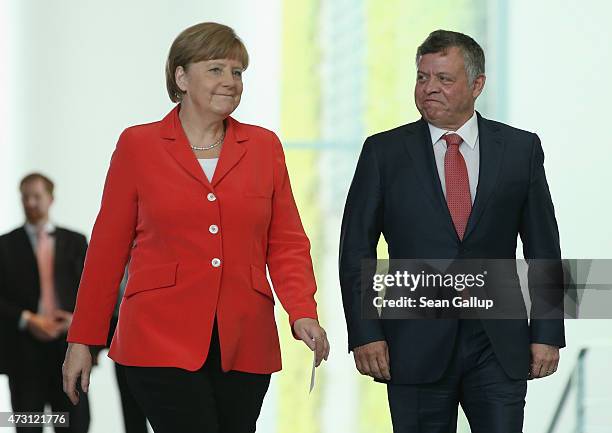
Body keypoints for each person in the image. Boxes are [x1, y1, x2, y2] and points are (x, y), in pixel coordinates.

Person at [62, 22, 329, 433]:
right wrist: (83, 339)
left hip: (245, 339)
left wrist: (302, 311)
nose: (230, 82)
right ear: (181, 77)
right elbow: (106, 251)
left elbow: (286, 241)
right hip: (157, 338)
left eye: (238, 72)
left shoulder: (264, 147)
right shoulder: (138, 146)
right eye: (216, 69)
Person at [339, 30, 564, 433]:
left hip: (499, 344)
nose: (429, 88)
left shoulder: (520, 149)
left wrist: (547, 333)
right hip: (412, 344)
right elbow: (356, 251)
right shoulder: (383, 152)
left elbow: (543, 247)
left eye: (444, 79)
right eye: (422, 77)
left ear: (477, 84)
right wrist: (365, 332)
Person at [0, 173, 90, 433]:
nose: (30, 202)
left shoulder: (76, 242)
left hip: (69, 350)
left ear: (50, 199)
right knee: (28, 425)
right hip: (23, 354)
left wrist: (76, 322)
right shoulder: (5, 245)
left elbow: (92, 292)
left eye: (36, 196)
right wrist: (27, 319)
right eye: (25, 197)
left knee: (75, 424)